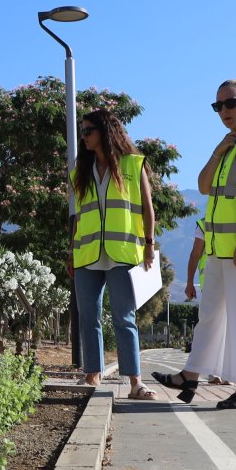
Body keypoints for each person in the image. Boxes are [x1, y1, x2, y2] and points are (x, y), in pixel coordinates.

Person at [154, 79, 236, 409]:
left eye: (230, 103)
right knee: (210, 315)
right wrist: (217, 150)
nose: (223, 110)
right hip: (219, 249)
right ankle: (191, 375)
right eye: (217, 106)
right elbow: (204, 186)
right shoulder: (231, 145)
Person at [67, 109, 157, 400]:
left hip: (122, 253)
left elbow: (146, 207)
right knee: (88, 316)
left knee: (124, 318)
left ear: (105, 131)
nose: (83, 136)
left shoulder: (133, 163)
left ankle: (135, 383)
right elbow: (79, 216)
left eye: (88, 130)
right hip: (87, 254)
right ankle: (92, 376)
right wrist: (71, 251)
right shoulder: (80, 170)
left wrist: (149, 244)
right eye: (82, 131)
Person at [185, 219, 229, 385]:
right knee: (216, 326)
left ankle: (219, 372)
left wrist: (190, 282)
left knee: (219, 327)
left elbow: (195, 254)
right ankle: (215, 372)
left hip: (220, 282)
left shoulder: (205, 223)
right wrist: (189, 282)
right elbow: (195, 254)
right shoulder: (204, 224)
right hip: (214, 282)